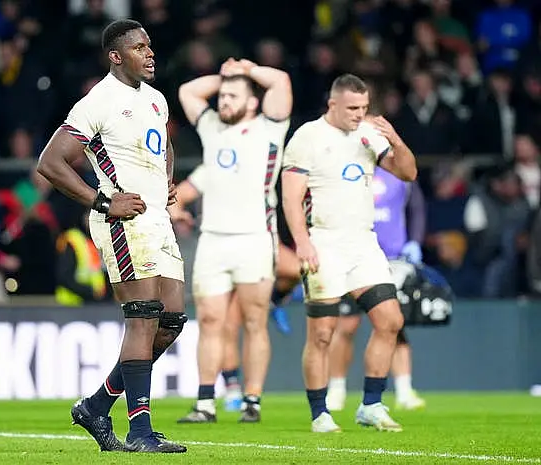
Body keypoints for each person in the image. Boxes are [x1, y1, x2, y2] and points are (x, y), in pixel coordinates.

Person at [36, 19, 187, 453]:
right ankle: (139, 431)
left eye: (150, 46)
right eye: (139, 47)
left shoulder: (156, 99)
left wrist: (166, 180)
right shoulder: (98, 100)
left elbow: (165, 148)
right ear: (116, 56)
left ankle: (97, 406)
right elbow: (51, 161)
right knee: (143, 315)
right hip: (124, 221)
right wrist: (103, 202)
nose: (150, 53)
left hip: (157, 217)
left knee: (171, 319)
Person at [281, 73, 417, 433]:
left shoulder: (370, 135)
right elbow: (291, 197)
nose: (360, 114)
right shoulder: (307, 137)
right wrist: (302, 242)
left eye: (365, 107)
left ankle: (371, 405)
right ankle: (320, 413)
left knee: (390, 320)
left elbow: (408, 173)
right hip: (324, 241)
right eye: (353, 108)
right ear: (333, 105)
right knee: (322, 333)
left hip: (364, 243)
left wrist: (395, 139)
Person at [174, 57, 292, 423]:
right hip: (213, 238)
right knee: (210, 320)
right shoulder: (212, 128)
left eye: (232, 96)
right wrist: (226, 78)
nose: (223, 101)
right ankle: (206, 402)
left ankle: (252, 401)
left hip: (255, 238)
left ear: (253, 101)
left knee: (255, 321)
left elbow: (281, 81)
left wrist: (246, 72)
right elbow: (188, 91)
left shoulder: (270, 128)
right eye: (221, 96)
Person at [169, 171, 302, 411]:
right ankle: (230, 389)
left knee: (296, 270)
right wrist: (177, 212)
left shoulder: (262, 162)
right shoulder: (217, 161)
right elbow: (179, 195)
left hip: (256, 243)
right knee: (225, 325)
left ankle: (274, 299)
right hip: (220, 248)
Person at [327, 165, 427, 411]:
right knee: (346, 325)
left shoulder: (397, 172)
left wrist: (414, 240)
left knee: (394, 323)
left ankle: (404, 390)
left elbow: (417, 208)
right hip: (355, 257)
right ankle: (336, 389)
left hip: (393, 259)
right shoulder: (348, 167)